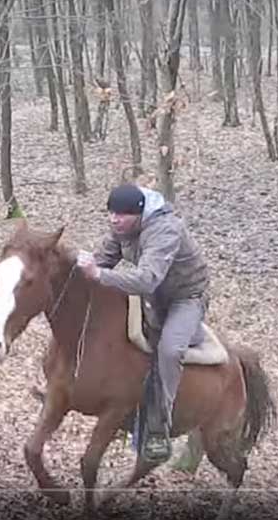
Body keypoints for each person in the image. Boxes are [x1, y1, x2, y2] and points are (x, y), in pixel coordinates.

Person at [77, 183, 210, 463]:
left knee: (171, 349)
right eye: (111, 214)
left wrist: (98, 274)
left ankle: (159, 425)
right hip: (151, 296)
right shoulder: (121, 229)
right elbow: (102, 261)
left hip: (184, 298)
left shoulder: (165, 229)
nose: (115, 220)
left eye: (122, 215)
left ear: (139, 214)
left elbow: (146, 278)